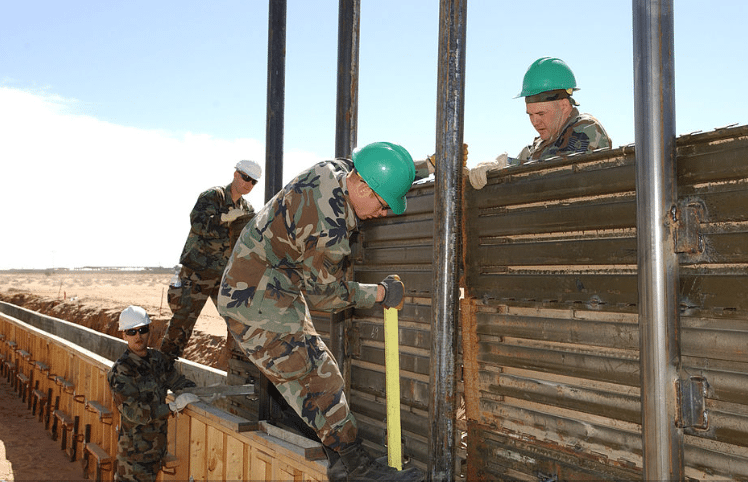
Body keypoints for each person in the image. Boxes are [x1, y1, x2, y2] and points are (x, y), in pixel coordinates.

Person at [217, 142, 431, 482]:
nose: (384, 213)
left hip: (269, 286)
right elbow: (328, 296)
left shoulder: (335, 171)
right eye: (382, 203)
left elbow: (371, 164)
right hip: (255, 303)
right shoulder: (328, 230)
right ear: (362, 187)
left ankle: (344, 464)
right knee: (319, 381)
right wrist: (378, 293)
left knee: (323, 374)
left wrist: (422, 167)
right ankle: (355, 470)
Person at [159, 160, 261, 363]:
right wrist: (223, 218)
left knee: (238, 320)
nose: (248, 184)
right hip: (198, 272)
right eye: (245, 177)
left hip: (224, 276)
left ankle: (238, 368)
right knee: (183, 321)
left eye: (253, 181)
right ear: (236, 175)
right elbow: (197, 223)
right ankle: (164, 366)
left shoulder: (246, 207)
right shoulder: (213, 196)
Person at [469, 57, 612, 189]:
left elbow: (561, 175)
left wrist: (507, 164)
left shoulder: (587, 128)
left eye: (541, 114)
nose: (535, 122)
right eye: (530, 114)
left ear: (563, 106)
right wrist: (489, 171)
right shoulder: (537, 147)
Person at [107, 305, 199, 482]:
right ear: (124, 335)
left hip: (156, 452)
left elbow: (178, 382)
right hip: (133, 459)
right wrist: (172, 407)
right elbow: (134, 412)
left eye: (142, 330)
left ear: (149, 330)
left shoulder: (157, 360)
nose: (138, 336)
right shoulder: (121, 371)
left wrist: (199, 393)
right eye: (132, 332)